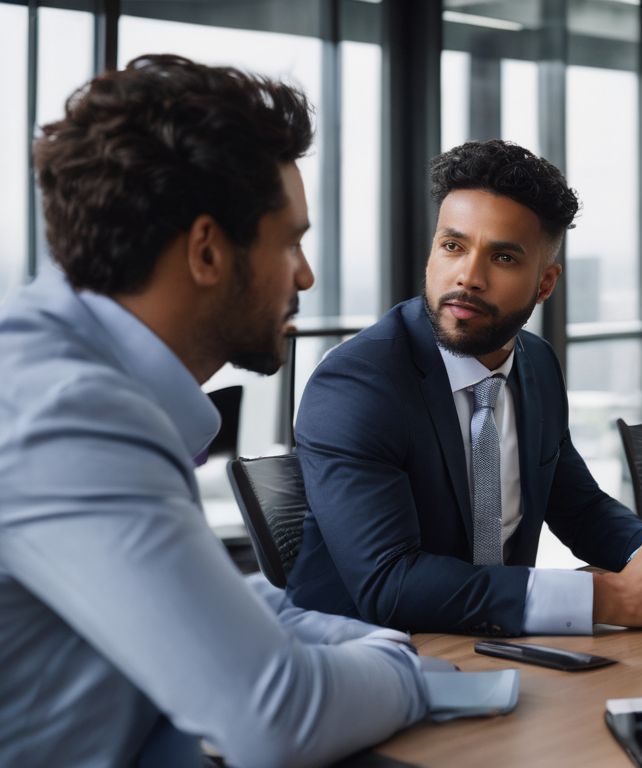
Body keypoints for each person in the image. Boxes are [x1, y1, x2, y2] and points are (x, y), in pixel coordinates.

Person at [0, 55, 459, 767]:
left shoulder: (68, 369)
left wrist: (324, 634)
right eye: (291, 241)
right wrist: (407, 673)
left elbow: (178, 594)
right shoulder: (64, 413)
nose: (305, 275)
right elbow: (276, 716)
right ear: (209, 251)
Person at [287, 139, 642, 636]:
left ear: (545, 283)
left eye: (502, 258)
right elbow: (389, 582)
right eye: (453, 246)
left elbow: (577, 506)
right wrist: (609, 598)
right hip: (359, 653)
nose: (468, 277)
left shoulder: (536, 365)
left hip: (495, 639)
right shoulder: (359, 384)